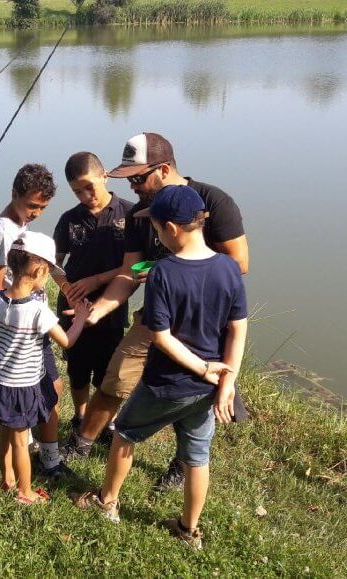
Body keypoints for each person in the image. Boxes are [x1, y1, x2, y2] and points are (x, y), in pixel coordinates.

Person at [61, 133, 249, 494]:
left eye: (138, 178)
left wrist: (179, 268)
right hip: (158, 314)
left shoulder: (214, 201)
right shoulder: (139, 215)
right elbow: (128, 274)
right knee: (116, 377)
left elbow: (239, 263)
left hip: (206, 317)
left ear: (164, 170)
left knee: (197, 392)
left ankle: (182, 464)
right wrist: (97, 310)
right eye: (127, 180)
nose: (132, 187)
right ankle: (82, 443)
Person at [73, 185, 248, 549]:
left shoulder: (163, 273)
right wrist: (226, 378)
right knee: (197, 457)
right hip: (208, 389)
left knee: (125, 434)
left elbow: (162, 338)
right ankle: (188, 529)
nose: (155, 236)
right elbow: (237, 328)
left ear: (170, 228)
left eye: (154, 229)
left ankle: (107, 503)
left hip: (166, 383)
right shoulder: (229, 268)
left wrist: (203, 369)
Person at [0, 232, 91, 504]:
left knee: (4, 431)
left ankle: (6, 478)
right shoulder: (37, 311)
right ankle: (25, 491)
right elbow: (66, 341)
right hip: (22, 387)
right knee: (21, 441)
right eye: (48, 273)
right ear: (39, 270)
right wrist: (80, 318)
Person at [0, 163, 70, 480]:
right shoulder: (3, 233)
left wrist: (67, 287)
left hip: (32, 324)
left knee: (50, 389)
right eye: (31, 205)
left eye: (42, 208)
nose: (35, 213)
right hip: (24, 328)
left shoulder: (22, 229)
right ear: (14, 194)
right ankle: (47, 461)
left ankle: (38, 449)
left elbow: (44, 263)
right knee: (50, 389)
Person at [51, 152, 134, 436]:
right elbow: (53, 263)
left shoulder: (131, 214)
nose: (86, 196)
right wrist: (69, 289)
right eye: (77, 191)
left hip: (111, 306)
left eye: (90, 187)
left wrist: (98, 279)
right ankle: (80, 416)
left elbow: (142, 264)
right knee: (77, 366)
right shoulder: (69, 220)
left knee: (108, 370)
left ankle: (102, 422)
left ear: (104, 176)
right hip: (73, 307)